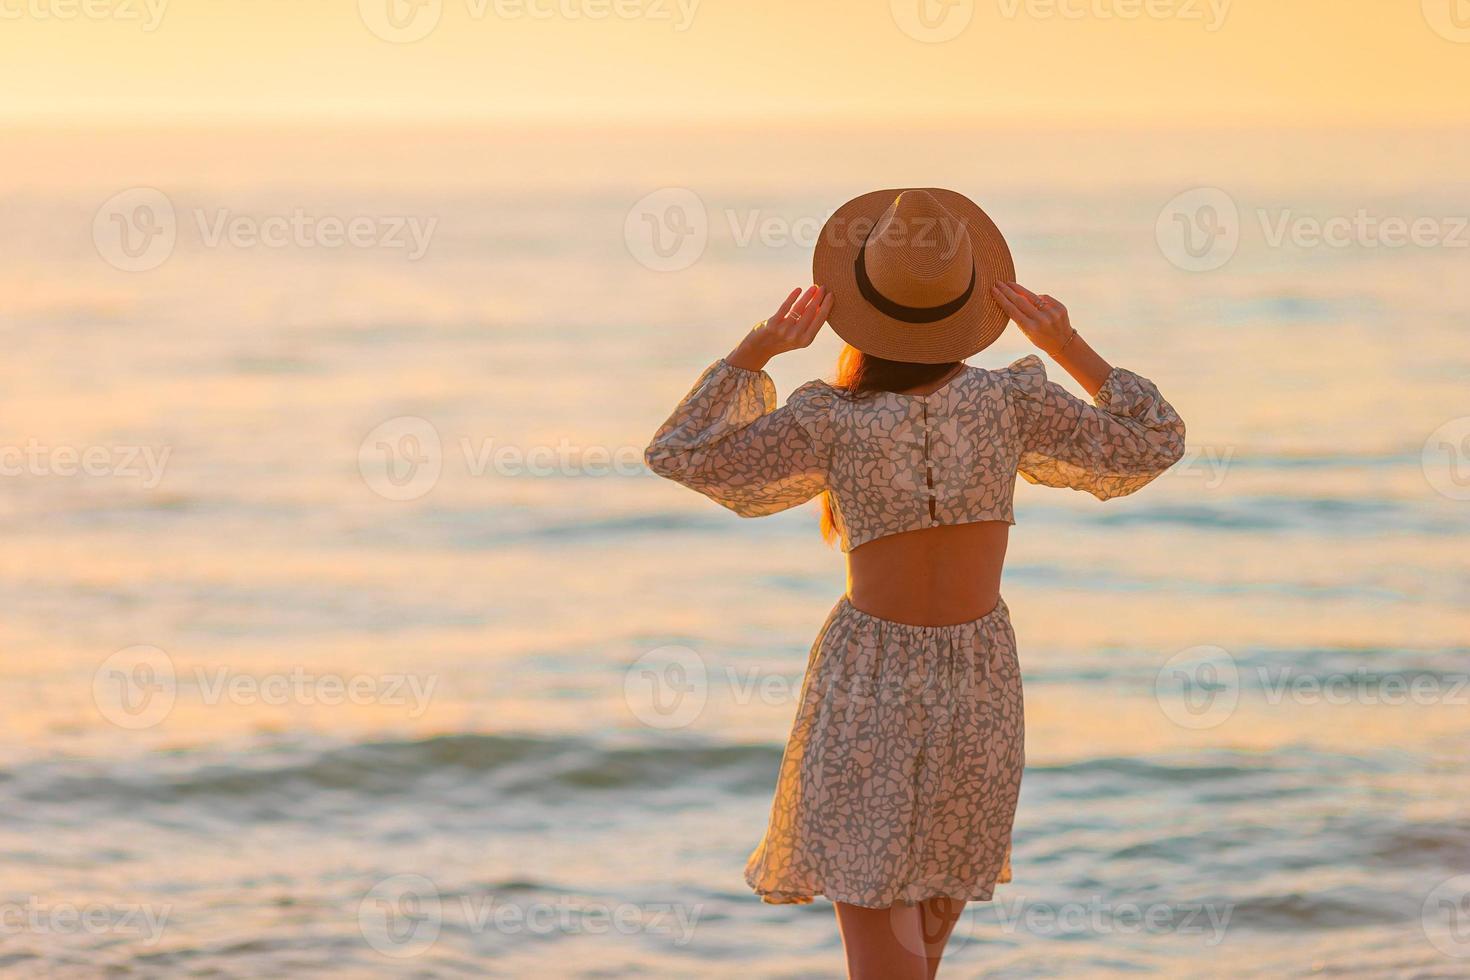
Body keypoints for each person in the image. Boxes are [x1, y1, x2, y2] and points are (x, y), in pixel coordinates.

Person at [645, 188, 1186, 979]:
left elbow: (681, 452)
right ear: (971, 302)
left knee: (896, 971)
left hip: (874, 684)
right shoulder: (1012, 404)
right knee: (908, 968)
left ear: (860, 308)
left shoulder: (829, 418)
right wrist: (1067, 343)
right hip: (978, 684)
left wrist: (753, 352)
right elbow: (1156, 440)